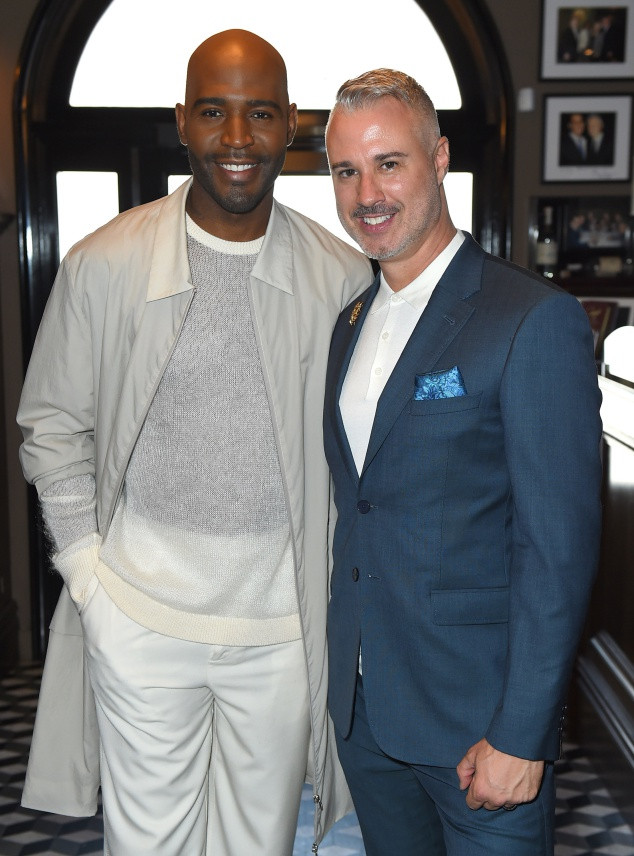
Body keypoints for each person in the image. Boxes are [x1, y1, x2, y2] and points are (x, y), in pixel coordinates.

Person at [17, 29, 371, 856]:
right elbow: (53, 424)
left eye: (259, 115)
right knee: (147, 846)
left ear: (293, 125)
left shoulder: (343, 279)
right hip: (139, 616)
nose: (237, 140)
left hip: (283, 631)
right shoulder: (101, 264)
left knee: (259, 844)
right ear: (182, 120)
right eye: (214, 112)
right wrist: (91, 584)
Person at [322, 68, 602, 855]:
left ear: (440, 159)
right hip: (369, 717)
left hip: (482, 730)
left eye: (389, 163)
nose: (366, 192)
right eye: (346, 170)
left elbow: (557, 550)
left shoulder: (530, 318)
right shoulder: (350, 319)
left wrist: (524, 734)